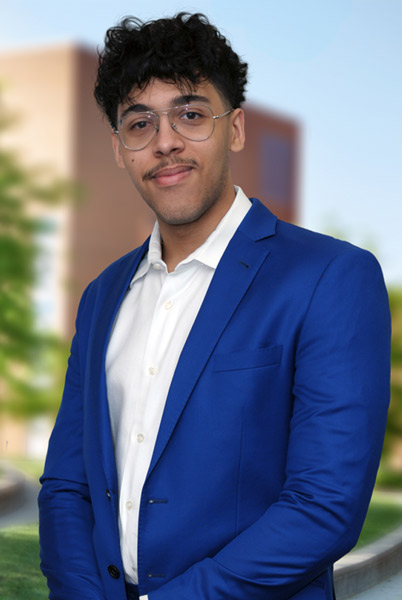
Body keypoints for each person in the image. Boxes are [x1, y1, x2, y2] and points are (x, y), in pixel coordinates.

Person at [38, 12, 391, 600]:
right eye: (139, 123)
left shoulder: (331, 277)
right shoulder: (102, 295)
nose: (166, 141)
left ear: (237, 128)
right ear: (121, 150)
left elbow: (323, 507)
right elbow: (67, 484)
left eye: (191, 114)